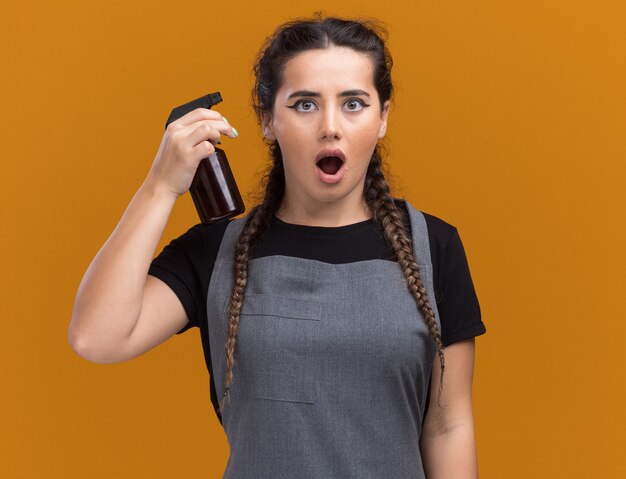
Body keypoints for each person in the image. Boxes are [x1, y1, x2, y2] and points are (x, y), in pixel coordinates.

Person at [69, 13, 486, 478]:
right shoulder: (218, 251)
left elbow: (447, 425)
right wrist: (160, 187)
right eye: (304, 105)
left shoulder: (434, 247)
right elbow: (96, 337)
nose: (331, 126)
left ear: (383, 117)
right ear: (267, 120)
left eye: (354, 103)